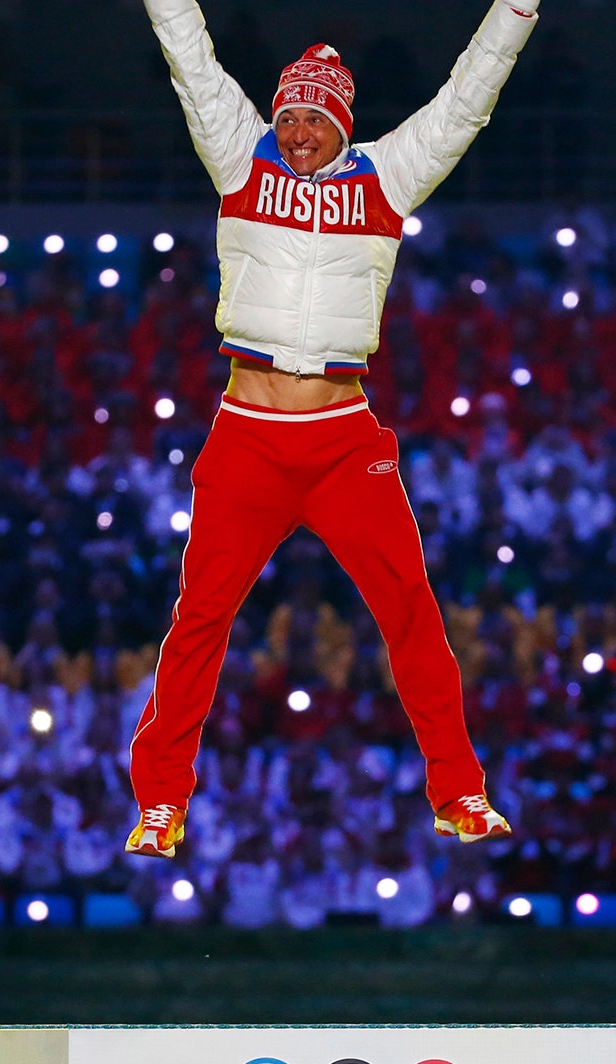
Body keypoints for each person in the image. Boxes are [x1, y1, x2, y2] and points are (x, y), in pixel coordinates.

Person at [125, 0, 540, 857]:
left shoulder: (385, 177)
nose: (299, 129)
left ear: (342, 123)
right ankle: (162, 800)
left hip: (344, 437)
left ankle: (459, 792)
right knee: (200, 616)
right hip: (247, 433)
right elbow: (189, 57)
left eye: (315, 116)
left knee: (412, 611)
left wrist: (516, 9)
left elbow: (467, 100)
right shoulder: (241, 159)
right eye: (289, 113)